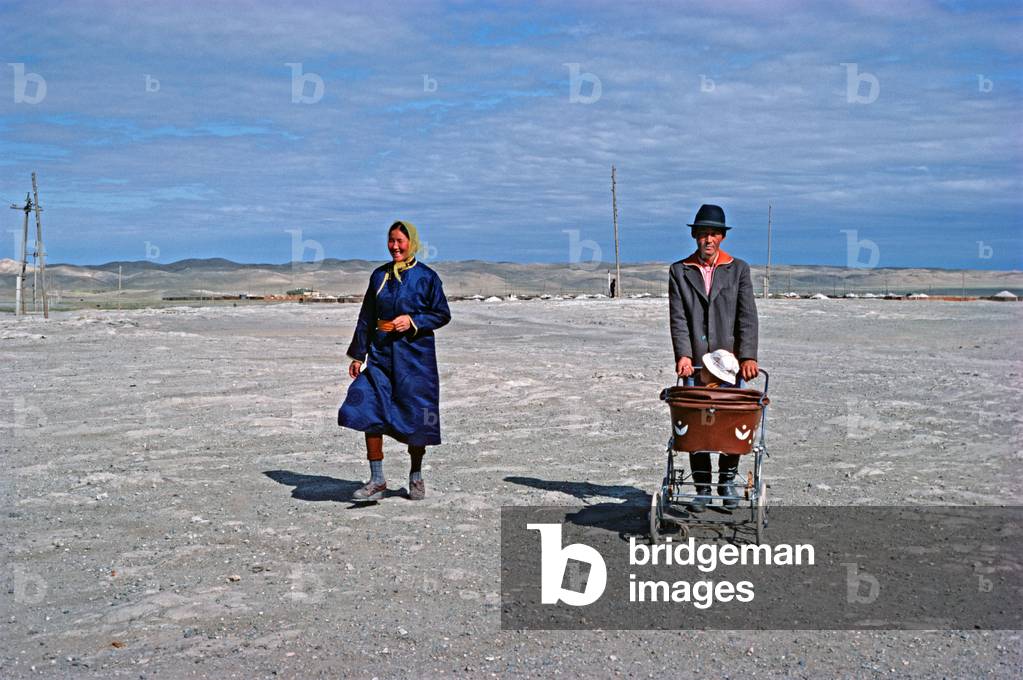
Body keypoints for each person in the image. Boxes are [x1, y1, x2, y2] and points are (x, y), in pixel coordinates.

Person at [338, 221, 451, 501]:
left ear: (411, 242)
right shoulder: (379, 276)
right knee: (367, 405)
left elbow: (442, 313)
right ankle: (377, 479)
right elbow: (366, 317)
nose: (395, 246)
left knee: (417, 415)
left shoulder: (427, 277)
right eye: (391, 240)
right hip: (381, 355)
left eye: (400, 240)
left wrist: (413, 321)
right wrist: (358, 354)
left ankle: (416, 475)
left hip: (415, 358)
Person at [668, 204, 759, 512]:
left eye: (714, 233)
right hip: (695, 360)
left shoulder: (739, 270)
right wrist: (682, 354)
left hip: (730, 363)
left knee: (731, 423)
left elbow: (747, 316)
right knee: (697, 425)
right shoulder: (679, 271)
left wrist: (747, 356)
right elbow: (678, 318)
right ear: (695, 236)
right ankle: (704, 488)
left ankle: (727, 482)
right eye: (703, 233)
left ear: (722, 237)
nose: (708, 239)